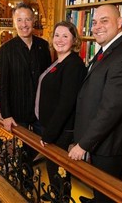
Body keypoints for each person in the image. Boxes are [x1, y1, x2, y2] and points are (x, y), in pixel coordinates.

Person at [68, 4, 122, 203]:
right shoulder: (108, 50)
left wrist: (83, 144)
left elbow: (110, 110)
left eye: (104, 21)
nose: (97, 26)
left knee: (107, 194)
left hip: (109, 143)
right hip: (98, 139)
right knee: (97, 187)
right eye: (94, 22)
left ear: (119, 23)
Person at [36, 21, 87, 197]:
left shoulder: (73, 64)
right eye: (57, 35)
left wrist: (49, 133)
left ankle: (61, 197)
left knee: (60, 169)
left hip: (61, 130)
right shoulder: (59, 61)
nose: (60, 39)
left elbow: (66, 103)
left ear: (74, 40)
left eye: (65, 36)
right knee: (52, 166)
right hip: (52, 126)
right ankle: (55, 192)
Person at [0, 3, 51, 163]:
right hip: (18, 112)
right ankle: (23, 177)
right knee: (22, 147)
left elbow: (48, 78)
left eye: (27, 19)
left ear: (33, 21)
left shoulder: (43, 46)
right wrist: (6, 115)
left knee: (44, 143)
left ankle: (28, 169)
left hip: (41, 110)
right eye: (19, 20)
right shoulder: (5, 51)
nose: (24, 24)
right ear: (14, 22)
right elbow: (2, 85)